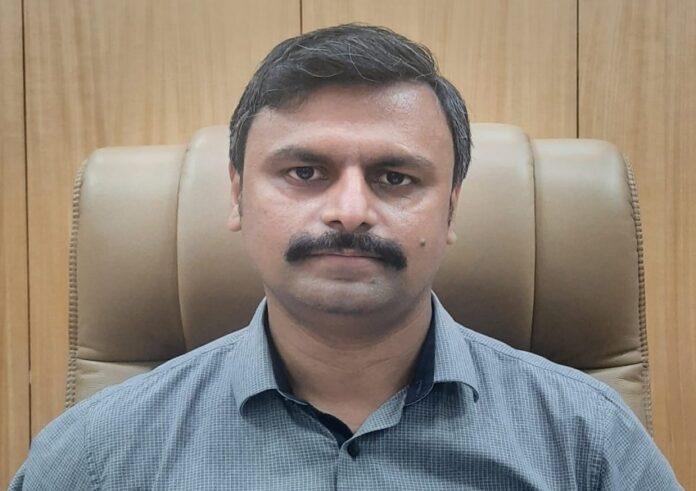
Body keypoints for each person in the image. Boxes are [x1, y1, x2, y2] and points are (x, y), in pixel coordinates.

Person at [10, 24, 681, 490]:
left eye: (396, 177)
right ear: (237, 196)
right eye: (305, 172)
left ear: (450, 211)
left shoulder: (586, 438)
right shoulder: (98, 454)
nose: (351, 210)